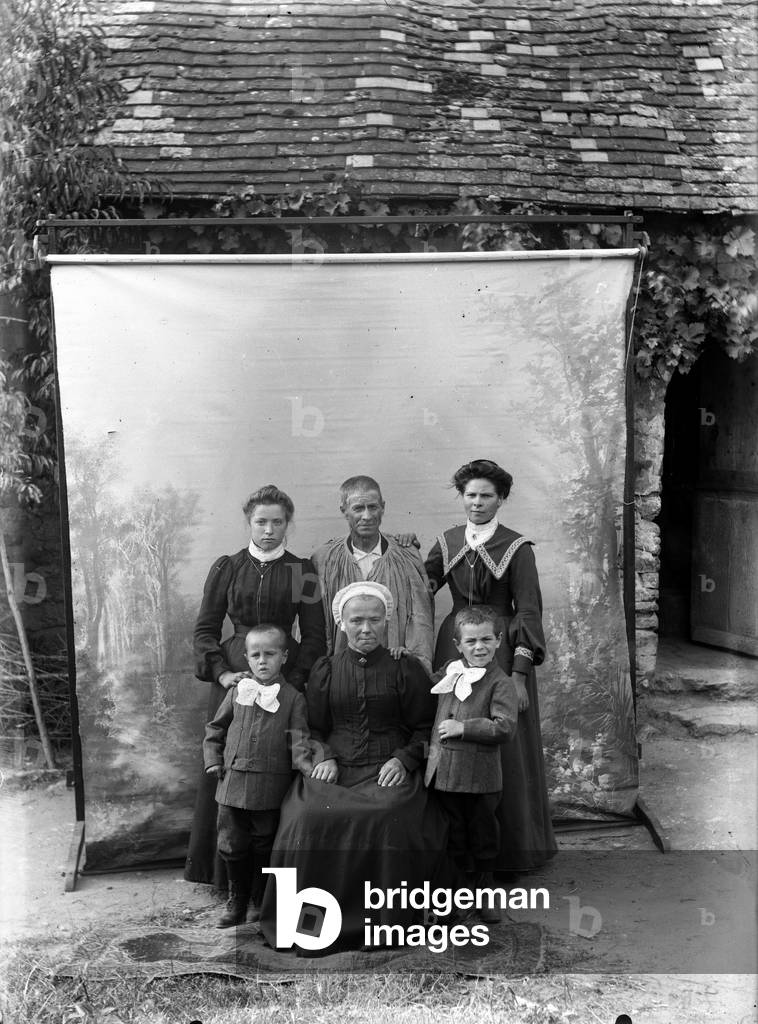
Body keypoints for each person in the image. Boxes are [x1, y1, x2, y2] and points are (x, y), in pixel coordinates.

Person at [259, 581, 446, 952]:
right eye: (356, 620)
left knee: (389, 814)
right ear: (341, 624)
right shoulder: (324, 670)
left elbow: (427, 727)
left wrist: (404, 758)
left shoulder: (405, 668)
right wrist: (323, 753)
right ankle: (308, 925)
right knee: (306, 816)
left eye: (374, 620)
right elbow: (306, 727)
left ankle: (385, 925)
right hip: (335, 766)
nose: (365, 629)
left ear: (386, 622)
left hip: (387, 766)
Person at [185, 484, 326, 887]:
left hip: (286, 673)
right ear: (249, 522)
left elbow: (315, 636)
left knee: (279, 766)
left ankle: (273, 884)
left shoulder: (304, 572)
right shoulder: (225, 567)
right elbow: (205, 629)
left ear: (288, 525)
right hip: (237, 671)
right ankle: (228, 881)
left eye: (277, 522)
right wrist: (223, 674)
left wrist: (292, 681)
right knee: (229, 764)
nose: (268, 530)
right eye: (261, 522)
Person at [425, 459, 557, 873]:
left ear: (501, 499)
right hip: (454, 646)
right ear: (462, 497)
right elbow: (420, 585)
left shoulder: (517, 548)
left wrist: (518, 675)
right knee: (451, 733)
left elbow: (529, 613)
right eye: (471, 495)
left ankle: (504, 854)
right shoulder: (447, 541)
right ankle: (454, 853)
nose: (478, 503)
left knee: (501, 742)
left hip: (499, 648)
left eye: (486, 495)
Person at [203, 624, 312, 928]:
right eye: (256, 655)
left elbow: (299, 740)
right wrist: (213, 760)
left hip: (269, 786)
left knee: (264, 843)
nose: (263, 661)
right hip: (233, 784)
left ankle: (257, 899)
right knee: (231, 843)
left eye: (270, 654)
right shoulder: (238, 691)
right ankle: (236, 900)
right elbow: (216, 728)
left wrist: (307, 769)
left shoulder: (293, 698)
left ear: (284, 657)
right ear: (247, 659)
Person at [425, 606, 519, 923]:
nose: (479, 647)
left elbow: (505, 727)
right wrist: (404, 658)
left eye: (486, 640)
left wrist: (465, 728)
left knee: (483, 836)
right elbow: (425, 682)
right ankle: (456, 896)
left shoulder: (500, 683)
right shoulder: (450, 672)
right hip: (445, 774)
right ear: (458, 644)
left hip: (479, 778)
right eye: (471, 641)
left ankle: (484, 894)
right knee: (454, 837)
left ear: (498, 641)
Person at [311, 475, 434, 671]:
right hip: (344, 670)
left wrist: (414, 665)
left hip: (395, 668)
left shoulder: (406, 555)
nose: (367, 516)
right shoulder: (325, 559)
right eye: (358, 508)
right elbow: (317, 623)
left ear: (383, 507)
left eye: (373, 507)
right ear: (344, 510)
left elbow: (420, 619)